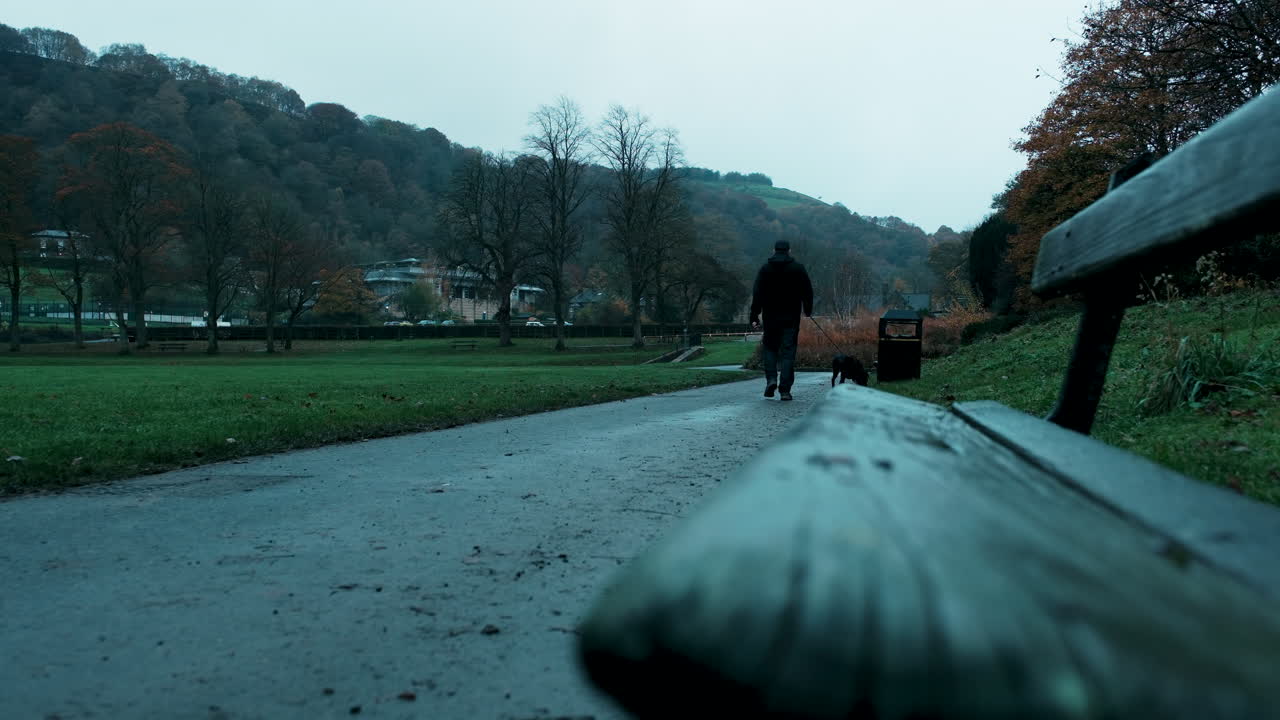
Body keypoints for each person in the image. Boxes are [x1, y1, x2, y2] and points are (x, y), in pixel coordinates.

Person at [749, 240, 813, 401]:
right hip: (791, 317)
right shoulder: (797, 268)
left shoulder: (765, 269)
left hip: (771, 317)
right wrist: (807, 309)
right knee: (788, 353)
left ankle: (771, 380)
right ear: (789, 250)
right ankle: (785, 390)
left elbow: (757, 293)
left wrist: (754, 315)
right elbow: (807, 290)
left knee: (770, 349)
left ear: (774, 250)